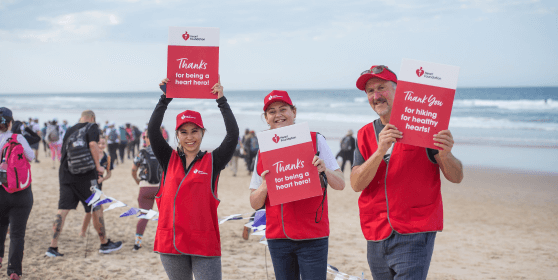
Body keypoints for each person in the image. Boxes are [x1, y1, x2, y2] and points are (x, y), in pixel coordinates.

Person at [351, 65, 464, 280]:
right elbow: (356, 184)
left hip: (414, 231)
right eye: (370, 91)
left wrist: (446, 154)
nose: (376, 96)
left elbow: (456, 177)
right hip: (375, 232)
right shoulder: (364, 134)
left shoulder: (427, 127)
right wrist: (379, 151)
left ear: (399, 90)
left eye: (382, 88)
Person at [249, 90, 345, 280]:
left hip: (312, 234)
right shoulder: (263, 150)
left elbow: (341, 184)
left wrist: (324, 170)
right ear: (266, 118)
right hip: (278, 237)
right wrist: (265, 186)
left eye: (283, 109)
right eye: (272, 111)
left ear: (294, 111)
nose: (278, 115)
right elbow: (254, 202)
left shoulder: (316, 139)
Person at [150, 77, 238, 280]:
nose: (190, 137)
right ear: (177, 135)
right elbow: (153, 131)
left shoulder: (213, 161)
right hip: (170, 240)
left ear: (202, 132)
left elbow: (233, 134)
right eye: (184, 132)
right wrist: (165, 97)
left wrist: (221, 101)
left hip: (203, 242)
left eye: (194, 131)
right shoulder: (168, 159)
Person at [45, 110, 122, 258]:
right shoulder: (92, 127)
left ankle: (52, 246)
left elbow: (63, 153)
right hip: (86, 176)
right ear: (92, 118)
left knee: (62, 210)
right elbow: (93, 145)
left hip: (66, 175)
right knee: (96, 207)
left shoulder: (69, 130)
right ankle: (104, 243)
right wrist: (98, 165)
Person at [0, 107, 35, 280]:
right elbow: (31, 156)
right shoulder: (18, 138)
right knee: (17, 234)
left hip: (0, 191)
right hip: (21, 192)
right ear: (10, 121)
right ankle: (14, 272)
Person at [130, 131, 160, 251]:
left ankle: (138, 243)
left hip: (145, 187)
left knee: (144, 216)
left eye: (145, 137)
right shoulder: (163, 151)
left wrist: (137, 180)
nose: (145, 139)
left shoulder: (142, 152)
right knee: (163, 217)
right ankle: (161, 244)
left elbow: (133, 169)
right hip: (161, 188)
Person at [79, 137, 112, 237]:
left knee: (94, 210)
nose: (101, 146)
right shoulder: (91, 155)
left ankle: (86, 231)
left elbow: (109, 173)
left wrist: (103, 178)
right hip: (89, 185)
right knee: (93, 210)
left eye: (103, 144)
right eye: (99, 144)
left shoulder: (107, 157)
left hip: (99, 186)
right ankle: (84, 231)